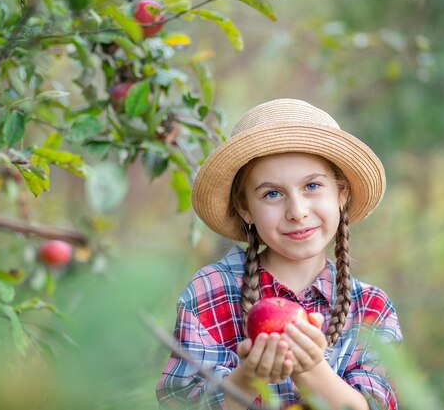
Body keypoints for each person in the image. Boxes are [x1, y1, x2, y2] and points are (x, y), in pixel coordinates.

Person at [156, 99, 403, 410]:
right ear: (245, 208)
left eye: (312, 186)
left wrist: (311, 368)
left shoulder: (371, 308)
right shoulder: (209, 292)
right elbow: (179, 403)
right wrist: (245, 378)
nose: (297, 212)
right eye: (272, 193)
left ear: (341, 194)